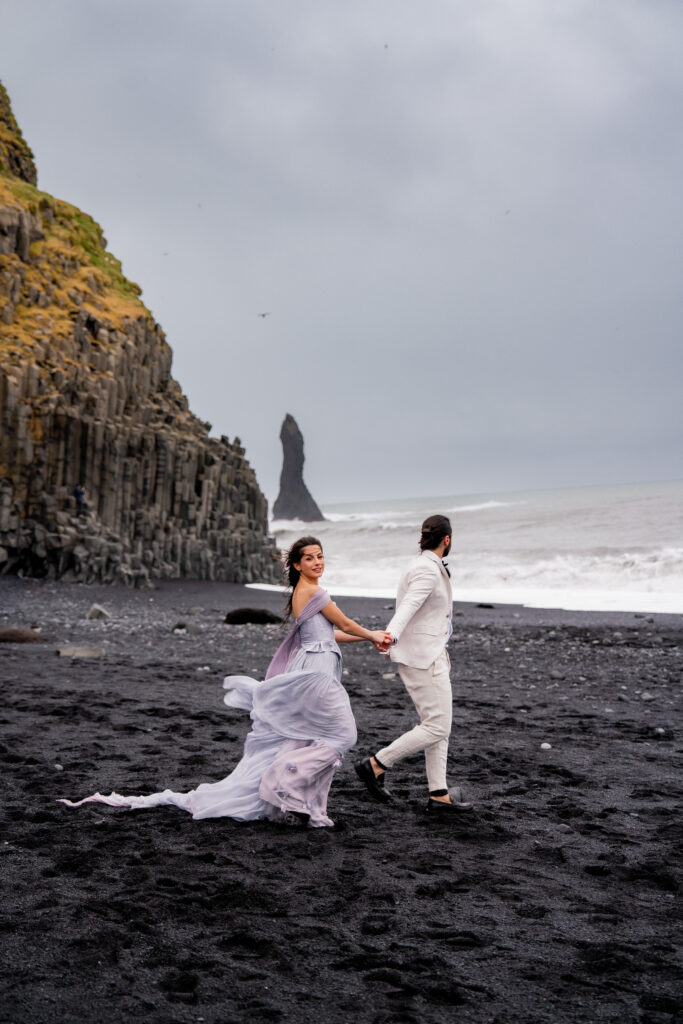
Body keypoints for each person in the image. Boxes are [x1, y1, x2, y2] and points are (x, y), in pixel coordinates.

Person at [59, 536, 391, 828]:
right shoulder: (315, 592)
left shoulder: (303, 592)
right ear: (296, 564)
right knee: (342, 735)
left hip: (315, 662)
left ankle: (305, 805)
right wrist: (374, 633)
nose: (317, 562)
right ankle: (280, 783)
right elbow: (344, 621)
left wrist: (367, 640)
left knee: (309, 737)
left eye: (320, 556)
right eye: (309, 558)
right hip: (316, 671)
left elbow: (330, 633)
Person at [354, 514, 473, 817]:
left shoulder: (422, 564)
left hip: (430, 653)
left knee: (438, 725)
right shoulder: (426, 569)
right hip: (422, 658)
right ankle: (377, 764)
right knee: (437, 725)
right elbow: (408, 606)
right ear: (447, 538)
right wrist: (390, 636)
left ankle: (439, 794)